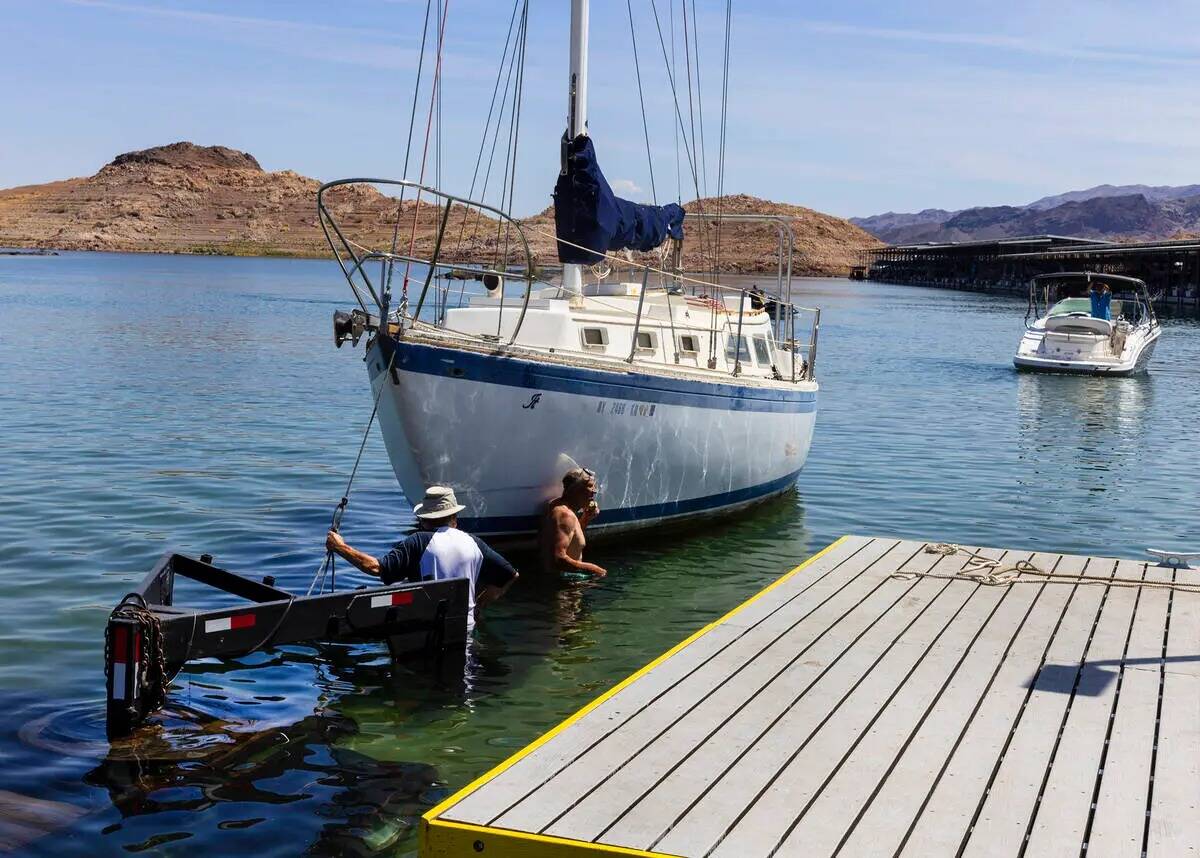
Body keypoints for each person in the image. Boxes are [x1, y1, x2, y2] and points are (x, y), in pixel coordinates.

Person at [325, 486, 517, 625]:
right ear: (454, 519)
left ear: (424, 519)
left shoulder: (418, 541)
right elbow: (510, 575)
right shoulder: (474, 543)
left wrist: (340, 547)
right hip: (464, 627)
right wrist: (479, 605)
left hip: (423, 626)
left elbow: (376, 568)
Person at [540, 467, 607, 577]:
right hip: (563, 588)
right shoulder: (565, 515)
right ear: (576, 489)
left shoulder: (556, 506)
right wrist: (595, 570)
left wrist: (586, 518)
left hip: (564, 582)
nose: (594, 492)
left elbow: (571, 538)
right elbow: (558, 559)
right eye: (590, 487)